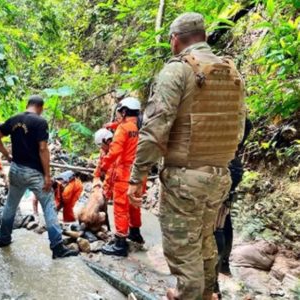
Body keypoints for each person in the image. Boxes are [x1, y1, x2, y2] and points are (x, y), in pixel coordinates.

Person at [127, 12, 246, 300]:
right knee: (205, 240)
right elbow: (239, 126)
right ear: (204, 37)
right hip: (220, 175)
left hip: (185, 177)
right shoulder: (231, 71)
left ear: (175, 40)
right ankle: (207, 293)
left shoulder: (177, 70)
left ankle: (188, 294)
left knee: (182, 248)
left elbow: (155, 128)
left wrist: (137, 176)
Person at [0, 95, 79, 259]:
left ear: (28, 105)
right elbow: (42, 149)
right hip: (33, 172)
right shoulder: (40, 122)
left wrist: (6, 155)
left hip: (16, 169)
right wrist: (47, 175)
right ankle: (57, 247)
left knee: (10, 204)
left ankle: (4, 239)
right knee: (48, 205)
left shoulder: (14, 119)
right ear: (40, 107)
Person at [100, 97, 145, 257]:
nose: (117, 116)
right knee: (134, 205)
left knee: (120, 207)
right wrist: (111, 126)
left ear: (124, 111)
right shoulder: (140, 127)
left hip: (125, 174)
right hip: (140, 174)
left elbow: (115, 152)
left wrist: (103, 167)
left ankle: (120, 243)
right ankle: (135, 233)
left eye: (119, 113)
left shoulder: (124, 128)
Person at [214, 118, 252, 296]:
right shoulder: (244, 121)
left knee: (216, 224)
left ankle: (213, 281)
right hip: (234, 164)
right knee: (224, 217)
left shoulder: (225, 115)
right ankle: (224, 264)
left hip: (224, 165)